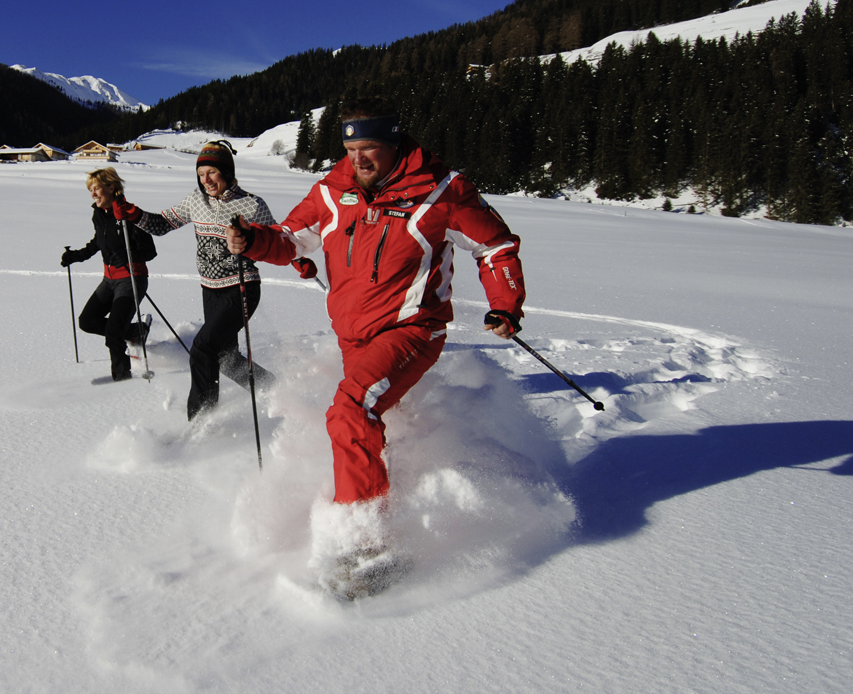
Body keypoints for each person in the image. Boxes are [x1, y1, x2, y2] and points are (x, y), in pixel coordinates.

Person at [225, 100, 526, 597]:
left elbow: (494, 246)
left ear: (393, 144)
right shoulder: (331, 190)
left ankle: (370, 545)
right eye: (349, 149)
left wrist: (505, 303)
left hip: (412, 329)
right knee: (372, 423)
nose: (358, 160)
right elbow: (290, 240)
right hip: (352, 335)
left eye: (369, 149)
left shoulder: (441, 191)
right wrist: (253, 240)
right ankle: (395, 488)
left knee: (349, 410)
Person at [112, 141, 277, 420]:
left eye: (212, 172)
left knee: (202, 348)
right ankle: (274, 389)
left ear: (226, 171)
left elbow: (276, 242)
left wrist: (299, 260)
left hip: (242, 287)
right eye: (201, 174)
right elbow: (163, 224)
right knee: (225, 359)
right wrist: (135, 214)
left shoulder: (251, 204)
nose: (206, 180)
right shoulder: (195, 201)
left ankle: (201, 421)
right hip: (210, 290)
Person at [61, 167, 156, 382]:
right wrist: (77, 256)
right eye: (90, 190)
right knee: (87, 321)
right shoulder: (99, 214)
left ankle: (122, 381)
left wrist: (129, 257)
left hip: (132, 278)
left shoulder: (129, 214)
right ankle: (134, 331)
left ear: (111, 188)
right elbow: (99, 242)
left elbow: (150, 252)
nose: (93, 194)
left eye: (96, 188)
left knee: (113, 331)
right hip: (109, 279)